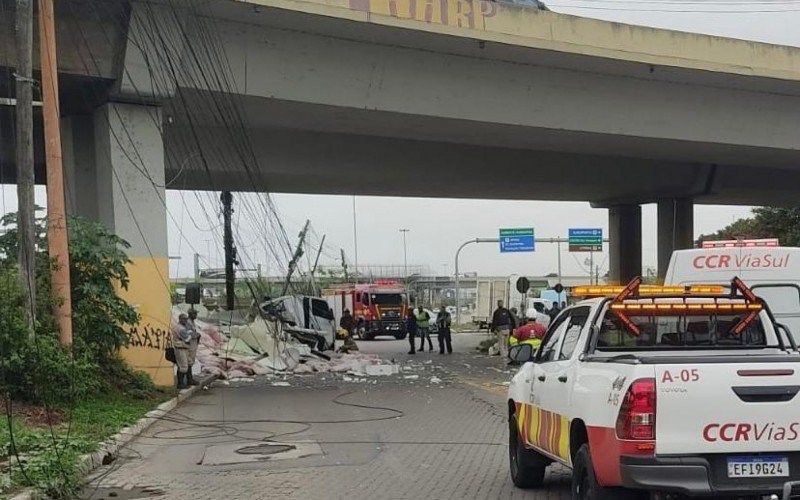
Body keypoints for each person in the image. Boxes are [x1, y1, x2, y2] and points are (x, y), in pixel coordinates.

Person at [172, 313, 193, 389]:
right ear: (180, 319)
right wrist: (190, 334)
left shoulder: (180, 327)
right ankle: (180, 384)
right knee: (183, 366)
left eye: (186, 319)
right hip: (180, 349)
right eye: (184, 319)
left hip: (184, 348)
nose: (186, 321)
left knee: (188, 363)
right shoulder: (180, 329)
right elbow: (187, 338)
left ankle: (187, 380)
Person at [186, 309, 201, 386]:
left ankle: (190, 378)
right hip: (190, 344)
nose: (196, 315)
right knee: (189, 361)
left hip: (193, 344)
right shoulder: (188, 323)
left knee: (191, 361)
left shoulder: (192, 322)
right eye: (194, 314)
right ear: (191, 314)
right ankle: (189, 379)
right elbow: (190, 334)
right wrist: (197, 335)